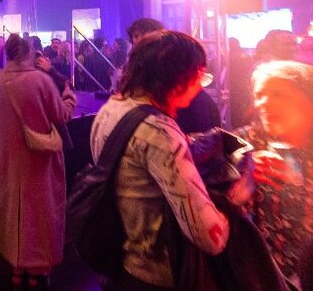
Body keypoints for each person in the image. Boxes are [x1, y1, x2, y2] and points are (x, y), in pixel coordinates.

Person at [90, 30, 230, 290]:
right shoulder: (159, 130)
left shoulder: (110, 109)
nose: (200, 84)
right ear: (177, 78)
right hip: (156, 274)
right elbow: (209, 236)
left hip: (119, 264)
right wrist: (239, 198)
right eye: (198, 75)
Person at [0, 35, 76, 290]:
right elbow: (61, 114)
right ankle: (36, 271)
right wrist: (69, 97)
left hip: (5, 157)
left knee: (11, 210)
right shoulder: (41, 81)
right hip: (38, 158)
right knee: (39, 213)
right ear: (30, 53)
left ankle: (16, 268)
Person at [238, 60, 313, 282]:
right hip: (264, 276)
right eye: (260, 95)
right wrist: (240, 174)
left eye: (278, 95)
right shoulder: (243, 145)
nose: (264, 103)